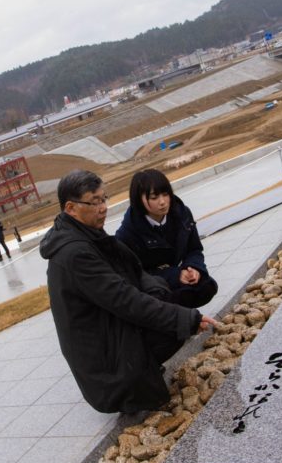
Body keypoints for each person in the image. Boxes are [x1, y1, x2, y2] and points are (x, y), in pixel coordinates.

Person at [40, 170, 216, 414]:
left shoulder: (88, 235)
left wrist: (160, 291)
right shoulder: (75, 253)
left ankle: (145, 367)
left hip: (109, 331)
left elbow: (134, 270)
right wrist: (186, 318)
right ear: (71, 208)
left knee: (175, 300)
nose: (103, 208)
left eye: (104, 199)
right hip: (103, 363)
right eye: (94, 201)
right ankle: (130, 387)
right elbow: (125, 300)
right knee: (172, 328)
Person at [116, 169, 218, 309]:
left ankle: (183, 318)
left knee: (207, 286)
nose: (162, 202)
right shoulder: (127, 234)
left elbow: (194, 249)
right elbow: (136, 275)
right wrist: (176, 275)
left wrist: (193, 268)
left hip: (174, 276)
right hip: (152, 288)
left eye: (165, 194)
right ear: (139, 200)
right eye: (154, 197)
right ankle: (170, 321)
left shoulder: (182, 214)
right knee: (161, 298)